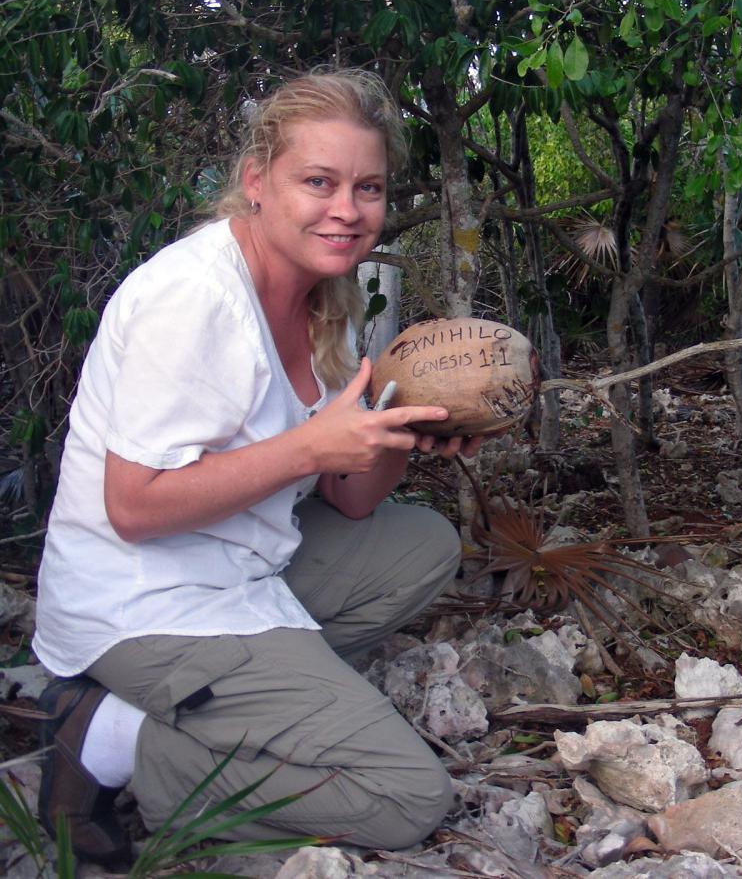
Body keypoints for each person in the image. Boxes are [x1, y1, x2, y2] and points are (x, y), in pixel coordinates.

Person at [33, 68, 481, 865]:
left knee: (422, 544)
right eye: (319, 181)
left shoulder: (322, 299)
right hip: (146, 601)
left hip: (245, 567)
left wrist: (405, 438)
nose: (347, 209)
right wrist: (308, 448)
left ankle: (235, 710)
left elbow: (346, 498)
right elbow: (132, 505)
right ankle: (108, 735)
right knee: (407, 795)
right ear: (256, 183)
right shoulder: (194, 299)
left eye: (368, 187)